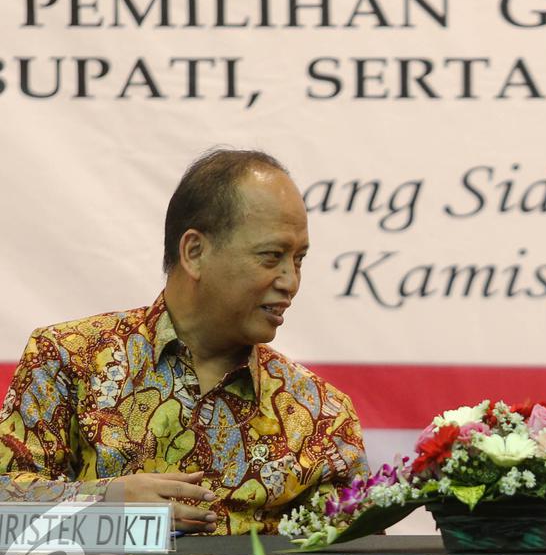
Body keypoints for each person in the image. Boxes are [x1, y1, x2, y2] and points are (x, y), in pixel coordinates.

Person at [0, 149, 369, 535]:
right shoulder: (67, 357)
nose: (290, 281)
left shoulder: (321, 414)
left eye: (298, 260)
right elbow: (5, 505)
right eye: (272, 256)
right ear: (194, 252)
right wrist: (103, 504)